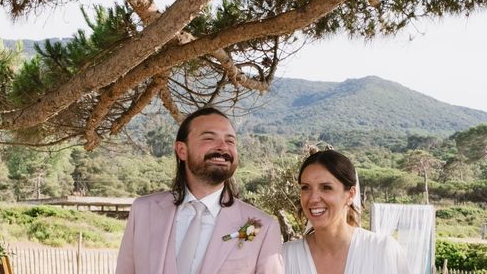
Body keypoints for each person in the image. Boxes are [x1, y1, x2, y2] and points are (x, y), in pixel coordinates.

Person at [115, 106, 284, 274]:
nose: (223, 147)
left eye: (230, 141)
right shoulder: (143, 211)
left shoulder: (261, 227)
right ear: (182, 150)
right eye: (209, 138)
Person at [282, 150, 410, 274]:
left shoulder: (383, 251)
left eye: (326, 187)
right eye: (306, 188)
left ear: (350, 194)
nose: (313, 198)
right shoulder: (284, 257)